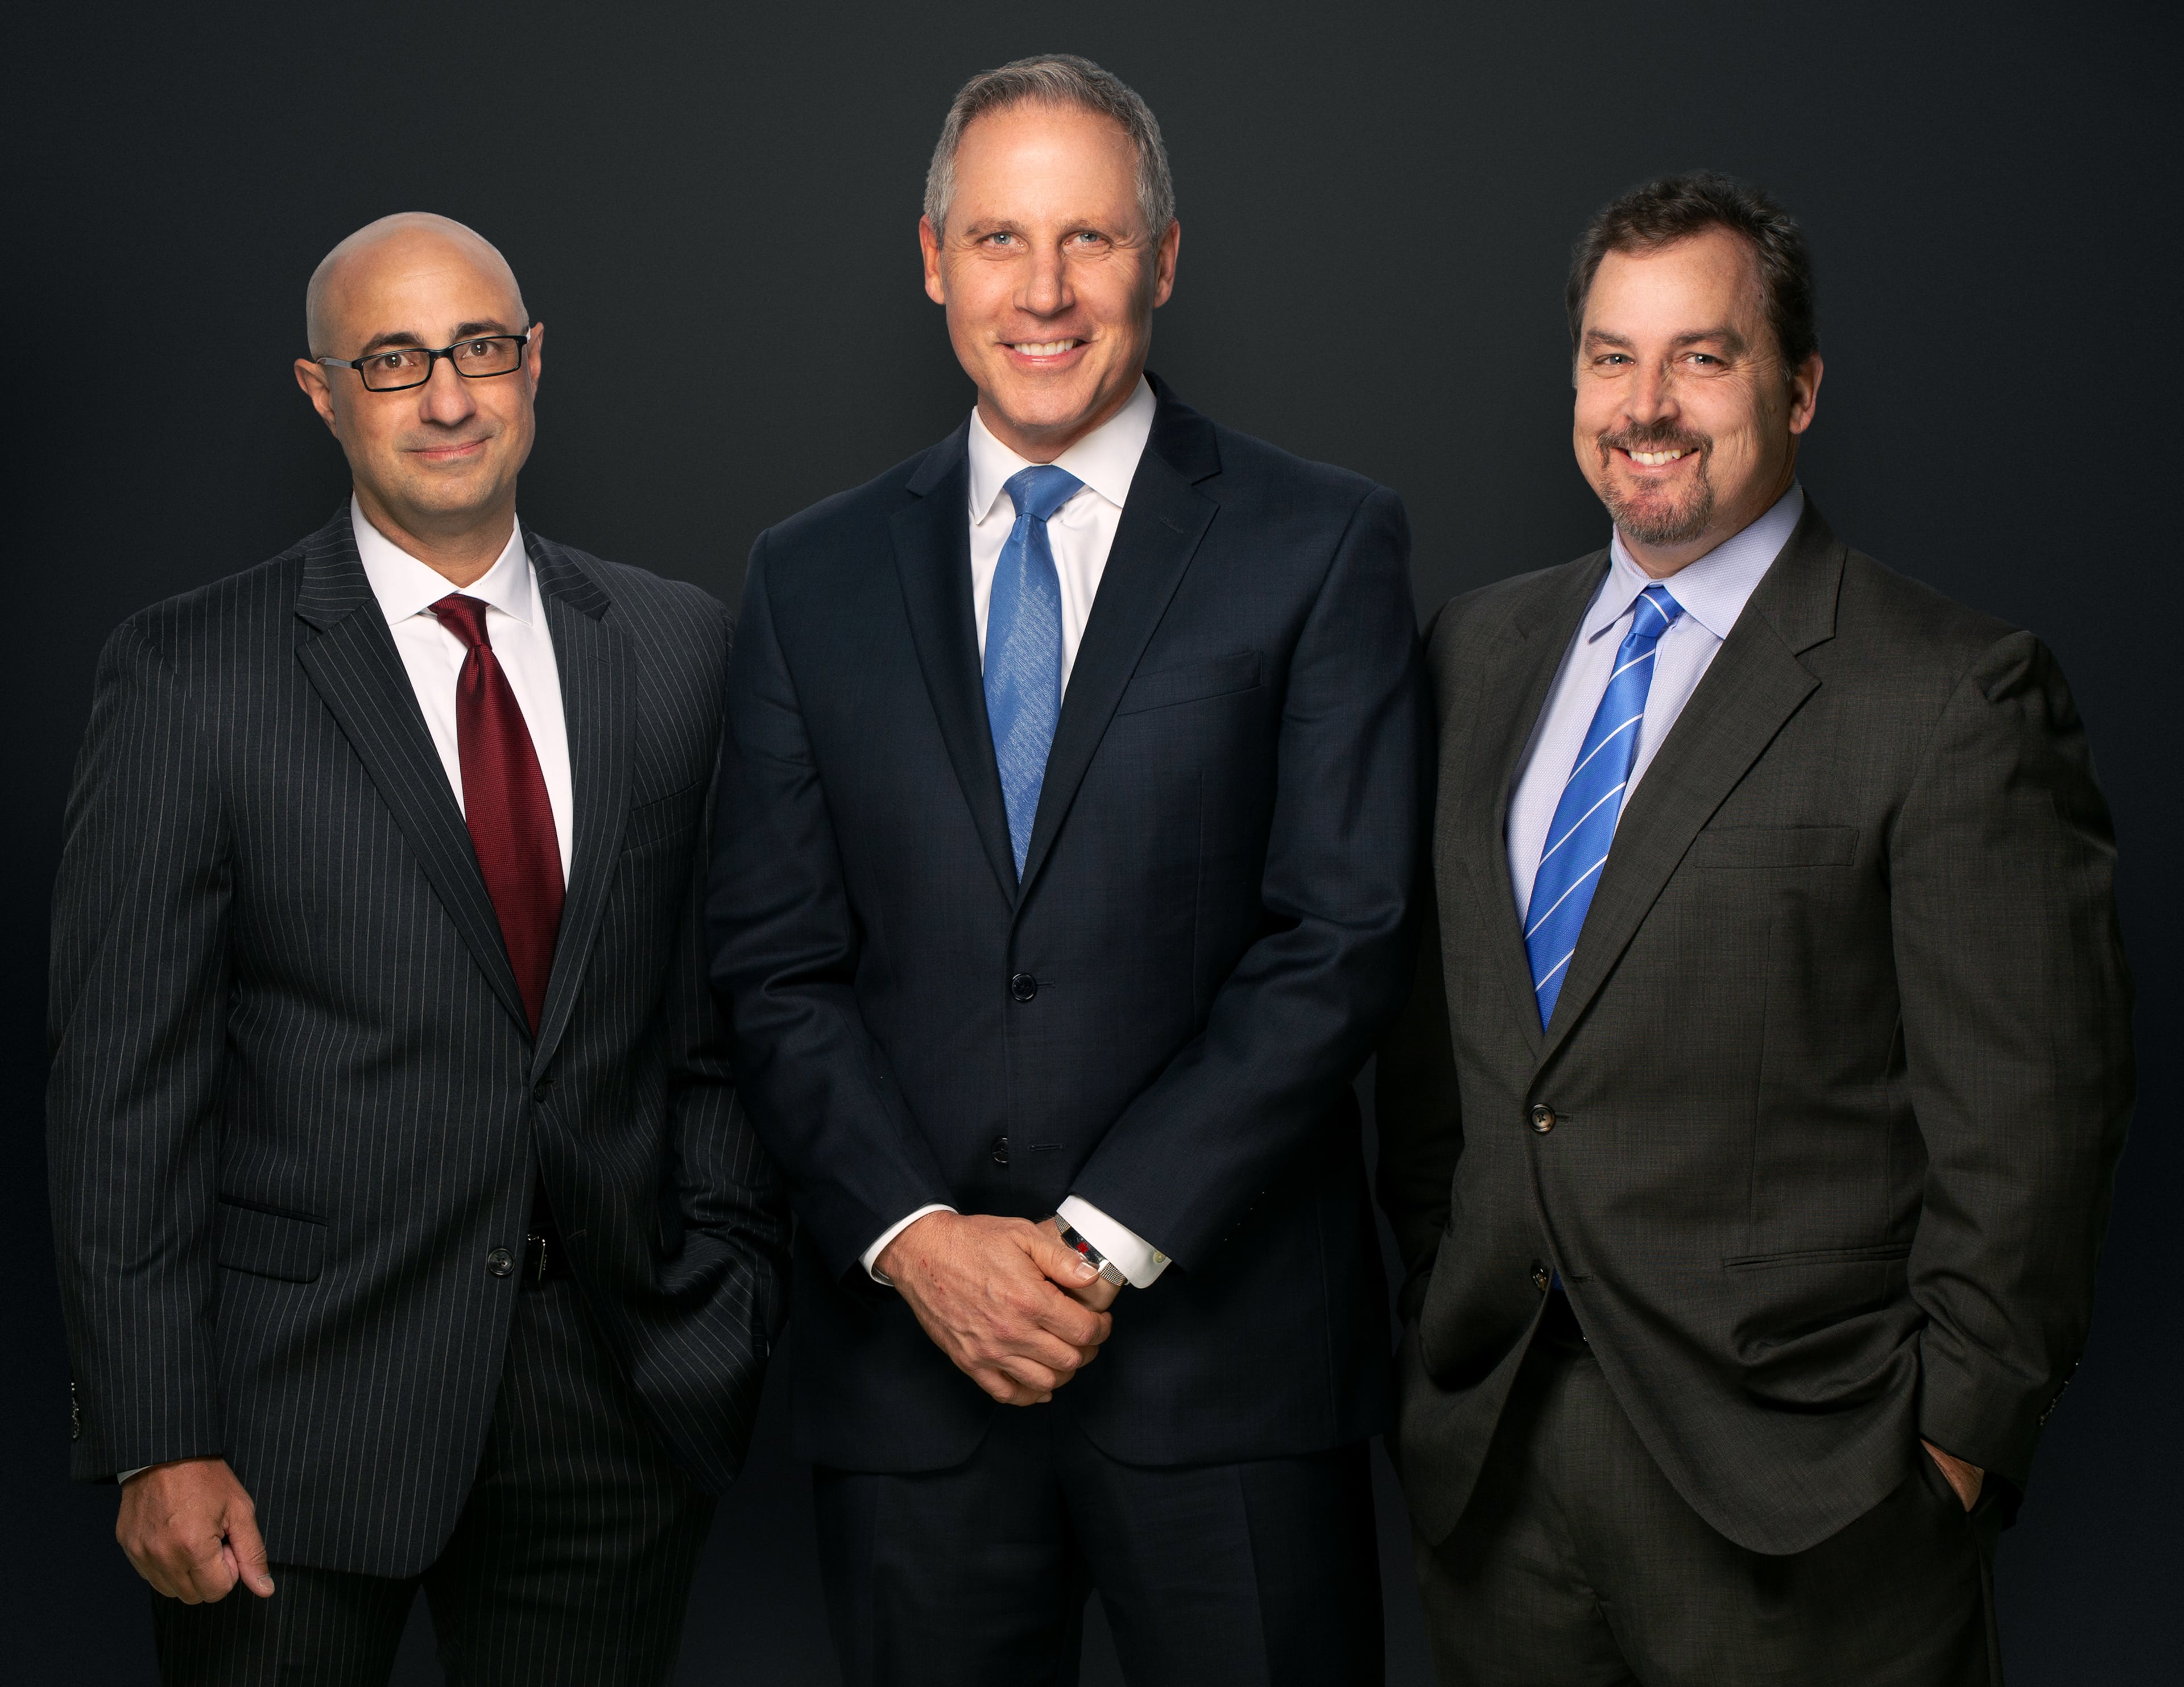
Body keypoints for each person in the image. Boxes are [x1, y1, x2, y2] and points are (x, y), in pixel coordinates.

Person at [708, 53, 1423, 1686]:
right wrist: (920, 1242)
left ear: (1163, 262)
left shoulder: (1318, 542)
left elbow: (1343, 934)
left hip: (1227, 1378)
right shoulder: (808, 576)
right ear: (933, 258)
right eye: (1002, 239)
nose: (1045, 292)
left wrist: (1096, 1243)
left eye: (1091, 241)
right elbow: (771, 961)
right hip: (913, 1383)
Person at [1375, 172, 2133, 1685]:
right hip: (1501, 1470)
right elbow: (1437, 1067)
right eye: (1611, 355)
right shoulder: (1474, 653)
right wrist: (1433, 1331)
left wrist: (1953, 1449)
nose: (1647, 404)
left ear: (1799, 389)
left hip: (1811, 1498)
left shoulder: (1951, 694)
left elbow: (2033, 1122)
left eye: (1702, 356)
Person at [46, 212, 788, 1685]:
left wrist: (728, 1296)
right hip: (285, 1435)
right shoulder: (191, 676)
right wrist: (156, 1437)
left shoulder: (680, 648)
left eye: (479, 350)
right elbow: (121, 1091)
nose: (448, 398)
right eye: (394, 362)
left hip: (615, 1412)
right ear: (322, 392)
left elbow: (717, 1019)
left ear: (533, 366)